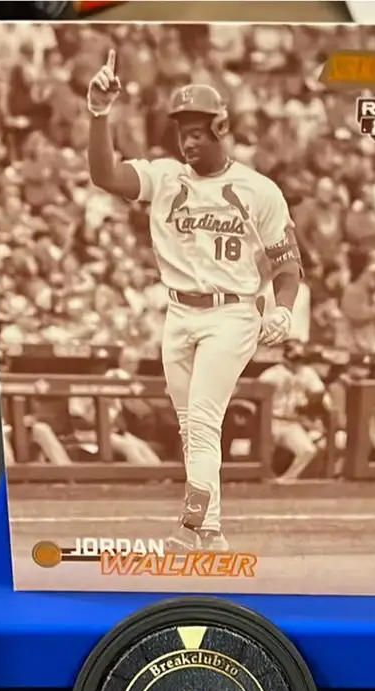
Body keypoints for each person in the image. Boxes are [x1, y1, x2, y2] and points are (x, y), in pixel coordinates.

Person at [86, 50, 304, 552]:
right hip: (178, 312)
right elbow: (106, 176)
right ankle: (213, 532)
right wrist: (99, 114)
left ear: (221, 127)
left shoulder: (258, 189)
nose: (188, 139)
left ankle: (188, 527)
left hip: (232, 313)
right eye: (183, 130)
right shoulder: (166, 176)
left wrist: (283, 308)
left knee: (203, 420)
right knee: (192, 428)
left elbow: (288, 262)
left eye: (199, 130)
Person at [258, 340, 327, 484]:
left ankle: (286, 480)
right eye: (295, 360)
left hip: (290, 422)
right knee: (263, 454)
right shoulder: (271, 375)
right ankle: (260, 482)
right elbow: (256, 395)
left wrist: (308, 406)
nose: (298, 364)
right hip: (270, 421)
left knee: (308, 450)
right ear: (285, 358)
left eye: (300, 360)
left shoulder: (307, 373)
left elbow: (319, 391)